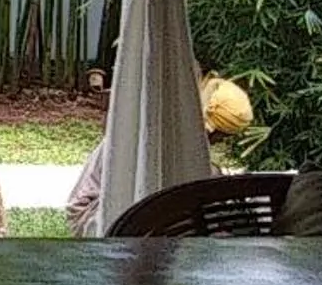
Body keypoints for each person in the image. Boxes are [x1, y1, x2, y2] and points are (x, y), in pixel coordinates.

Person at [63, 75, 256, 236]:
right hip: (95, 213)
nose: (219, 142)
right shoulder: (154, 137)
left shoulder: (179, 141)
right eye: (220, 136)